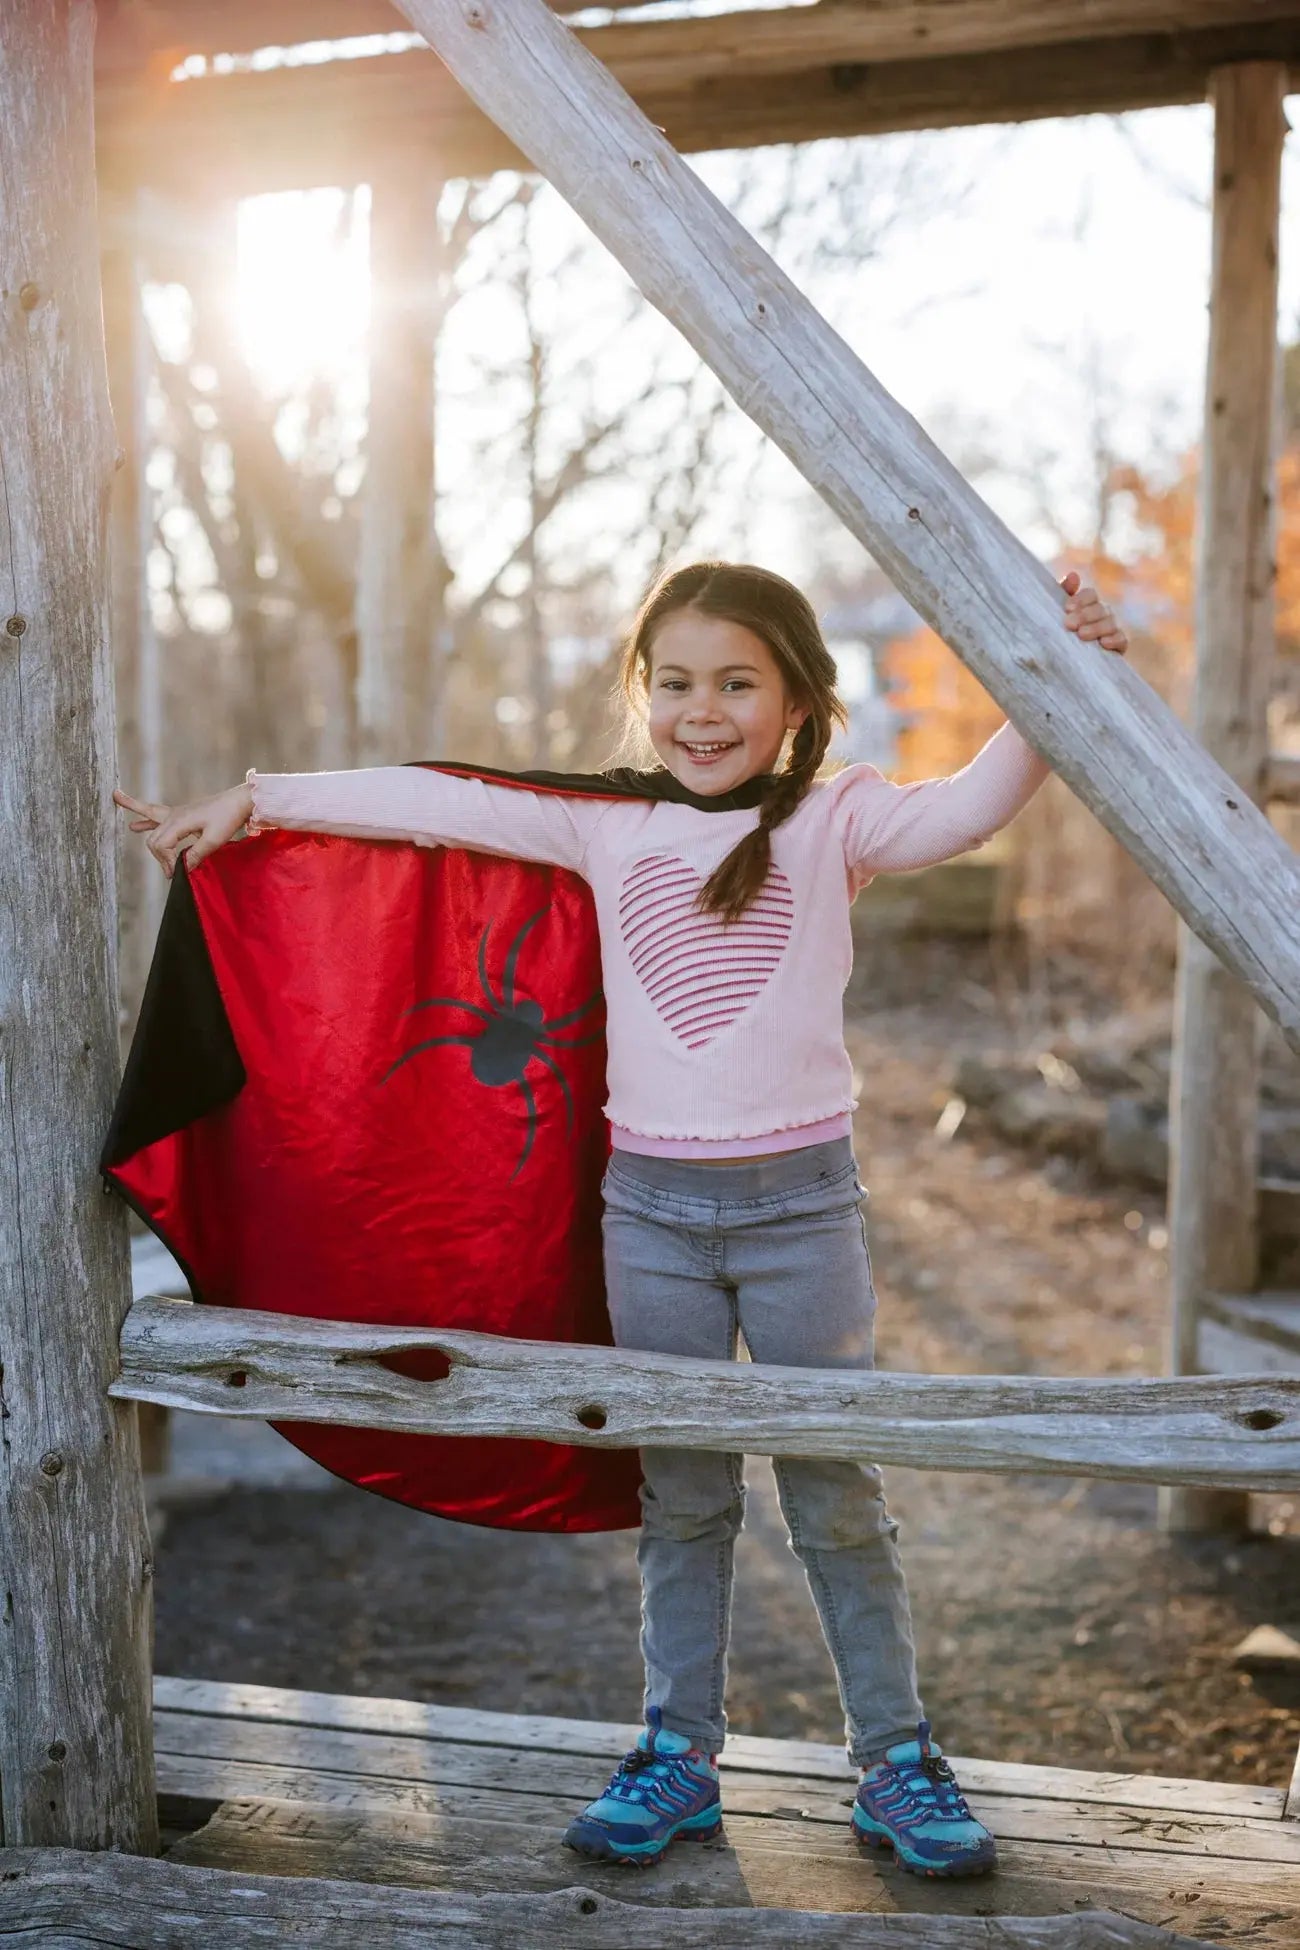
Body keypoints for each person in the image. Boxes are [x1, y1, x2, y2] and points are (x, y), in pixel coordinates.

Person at [115, 560, 1127, 1879]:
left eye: (738, 683)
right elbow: (434, 803)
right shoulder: (606, 827)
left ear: (801, 699)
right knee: (685, 1491)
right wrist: (255, 802)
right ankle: (676, 1754)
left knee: (835, 1485)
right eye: (676, 682)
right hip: (649, 1217)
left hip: (801, 1215)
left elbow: (977, 802)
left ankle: (895, 1758)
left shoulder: (838, 823)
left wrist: (1072, 661)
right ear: (643, 696)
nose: (703, 711)